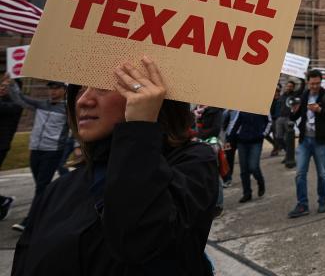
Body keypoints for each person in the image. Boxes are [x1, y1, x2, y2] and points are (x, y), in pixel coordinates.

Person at [12, 56, 219, 274]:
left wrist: (140, 128)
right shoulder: (60, 187)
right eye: (79, 89)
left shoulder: (193, 162)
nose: (83, 100)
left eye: (103, 88)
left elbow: (140, 241)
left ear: (153, 95)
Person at [7, 79, 68, 232]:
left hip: (53, 151)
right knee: (42, 187)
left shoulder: (68, 109)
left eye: (56, 88)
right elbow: (20, 98)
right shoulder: (41, 104)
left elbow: (76, 127)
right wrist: (12, 83)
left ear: (64, 90)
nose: (53, 91)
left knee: (41, 186)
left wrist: (77, 146)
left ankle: (30, 221)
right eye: (51, 88)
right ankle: (53, 209)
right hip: (35, 149)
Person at [288, 69, 325, 218]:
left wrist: (319, 109)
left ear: (321, 82)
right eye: (312, 83)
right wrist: (294, 109)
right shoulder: (303, 95)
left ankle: (322, 201)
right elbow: (295, 115)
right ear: (308, 82)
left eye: (317, 83)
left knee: (322, 174)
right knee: (300, 174)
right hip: (304, 141)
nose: (315, 86)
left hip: (320, 141)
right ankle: (302, 204)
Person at [231, 111, 270, 203]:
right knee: (244, 169)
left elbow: (269, 122)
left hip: (256, 141)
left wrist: (263, 134)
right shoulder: (242, 108)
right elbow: (236, 123)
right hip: (242, 141)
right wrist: (231, 137)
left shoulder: (262, 107)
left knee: (253, 166)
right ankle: (247, 193)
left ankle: (260, 182)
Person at [0, 77, 23, 220]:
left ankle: (3, 201)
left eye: (6, 86)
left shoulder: (15, 104)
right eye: (1, 85)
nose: (2, 88)